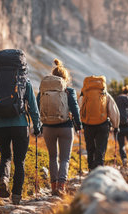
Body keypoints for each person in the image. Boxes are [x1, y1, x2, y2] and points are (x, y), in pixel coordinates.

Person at [0, 49, 41, 205]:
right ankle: (16, 196)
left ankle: (4, 179)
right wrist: (37, 126)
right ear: (22, 66)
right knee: (20, 161)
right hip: (20, 125)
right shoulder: (24, 81)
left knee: (5, 156)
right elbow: (33, 108)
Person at [37, 59, 81, 196]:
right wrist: (78, 125)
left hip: (48, 127)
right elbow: (75, 108)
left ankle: (53, 186)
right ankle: (61, 187)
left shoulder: (43, 90)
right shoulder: (69, 90)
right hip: (66, 127)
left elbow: (38, 105)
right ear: (65, 78)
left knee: (52, 157)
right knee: (64, 159)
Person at [79, 75, 120, 171]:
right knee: (101, 148)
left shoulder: (84, 95)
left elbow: (78, 107)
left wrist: (77, 122)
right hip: (103, 124)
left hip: (88, 125)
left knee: (90, 148)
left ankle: (90, 168)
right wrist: (116, 126)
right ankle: (99, 169)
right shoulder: (105, 94)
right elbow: (113, 111)